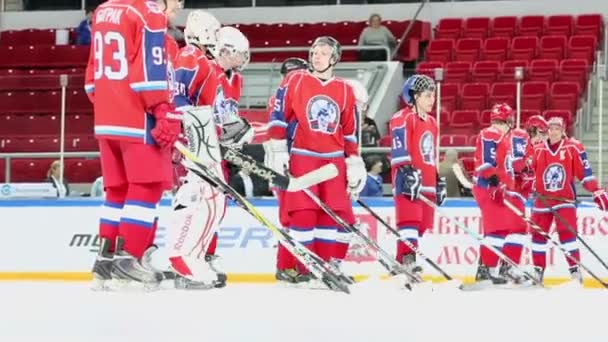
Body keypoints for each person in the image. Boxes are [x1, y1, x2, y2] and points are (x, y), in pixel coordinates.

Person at [85, 0, 182, 288]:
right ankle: (128, 259)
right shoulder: (147, 10)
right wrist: (162, 109)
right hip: (136, 116)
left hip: (106, 115)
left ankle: (104, 262)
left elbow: (90, 79)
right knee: (146, 186)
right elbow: (148, 71)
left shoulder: (103, 10)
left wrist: (108, 100)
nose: (177, 4)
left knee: (116, 191)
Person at [265, 36, 366, 286]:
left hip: (333, 162)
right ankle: (305, 269)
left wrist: (354, 161)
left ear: (334, 58)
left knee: (329, 217)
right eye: (313, 51)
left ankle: (324, 267)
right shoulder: (296, 80)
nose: (316, 56)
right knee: (303, 215)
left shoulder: (344, 89)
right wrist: (278, 150)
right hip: (303, 157)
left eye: (322, 52)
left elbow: (350, 131)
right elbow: (279, 115)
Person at [165, 10, 228, 290]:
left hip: (203, 134)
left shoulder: (200, 58)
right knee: (201, 199)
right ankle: (183, 257)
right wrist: (187, 130)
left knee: (212, 199)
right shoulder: (191, 55)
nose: (216, 39)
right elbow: (178, 95)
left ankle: (195, 255)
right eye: (213, 33)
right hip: (196, 136)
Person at [529, 116, 608, 285]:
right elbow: (529, 174)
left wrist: (596, 190)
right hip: (542, 200)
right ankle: (538, 272)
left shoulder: (573, 147)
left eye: (557, 128)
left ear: (563, 130)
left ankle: (575, 272)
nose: (554, 131)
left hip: (564, 199)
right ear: (547, 131)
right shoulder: (538, 149)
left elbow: (584, 173)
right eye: (551, 128)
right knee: (537, 235)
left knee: (567, 234)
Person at [203, 26, 254, 285]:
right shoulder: (208, 70)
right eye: (239, 53)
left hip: (222, 151)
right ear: (224, 50)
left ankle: (208, 253)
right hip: (202, 148)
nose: (243, 59)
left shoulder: (236, 79)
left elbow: (228, 116)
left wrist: (237, 131)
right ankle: (195, 253)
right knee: (200, 204)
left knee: (217, 207)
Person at [389, 74, 445, 285]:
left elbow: (430, 153)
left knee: (420, 226)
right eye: (428, 96)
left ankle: (400, 262)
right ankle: (408, 260)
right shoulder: (402, 118)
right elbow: (399, 147)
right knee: (409, 222)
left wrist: (438, 179)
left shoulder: (432, 122)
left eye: (434, 96)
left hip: (427, 180)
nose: (432, 100)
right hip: (408, 179)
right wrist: (406, 170)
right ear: (414, 96)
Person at [267, 57, 311, 284]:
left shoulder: (285, 94)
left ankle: (293, 265)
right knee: (291, 217)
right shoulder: (284, 95)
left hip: (292, 161)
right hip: (287, 161)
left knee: (296, 216)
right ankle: (286, 266)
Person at [470, 103, 516, 287]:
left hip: (495, 188)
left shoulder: (501, 137)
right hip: (487, 187)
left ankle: (485, 268)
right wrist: (495, 179)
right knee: (497, 228)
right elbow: (487, 162)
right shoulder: (491, 133)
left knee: (497, 229)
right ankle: (486, 270)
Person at [498, 114, 547, 283]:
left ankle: (502, 267)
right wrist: (528, 172)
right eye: (541, 132)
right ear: (533, 130)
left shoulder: (534, 148)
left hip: (516, 193)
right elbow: (517, 165)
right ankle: (507, 267)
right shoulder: (521, 136)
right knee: (517, 229)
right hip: (511, 190)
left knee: (510, 231)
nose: (543, 137)